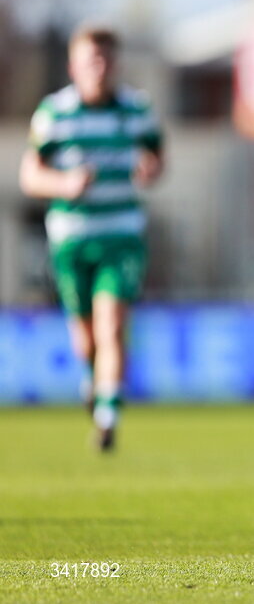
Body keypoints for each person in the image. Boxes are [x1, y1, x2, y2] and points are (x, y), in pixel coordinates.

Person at [19, 25, 163, 452]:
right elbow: (30, 175)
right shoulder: (55, 112)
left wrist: (149, 169)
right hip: (72, 239)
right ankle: (93, 381)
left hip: (121, 235)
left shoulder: (137, 109)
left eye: (105, 60)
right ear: (74, 66)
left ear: (115, 64)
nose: (98, 68)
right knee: (85, 339)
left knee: (111, 323)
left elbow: (157, 157)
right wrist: (64, 184)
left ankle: (107, 416)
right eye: (89, 61)